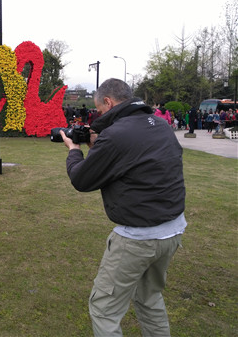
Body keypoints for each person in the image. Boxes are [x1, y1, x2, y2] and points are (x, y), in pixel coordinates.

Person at [60, 78, 186, 337]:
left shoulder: (117, 134)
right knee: (150, 298)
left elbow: (82, 180)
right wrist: (97, 147)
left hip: (138, 237)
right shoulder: (161, 125)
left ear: (108, 101)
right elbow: (138, 163)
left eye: (100, 109)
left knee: (104, 308)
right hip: (172, 229)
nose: (99, 115)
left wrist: (74, 150)